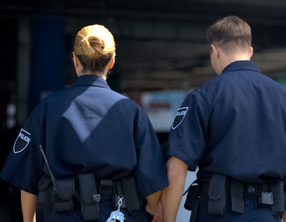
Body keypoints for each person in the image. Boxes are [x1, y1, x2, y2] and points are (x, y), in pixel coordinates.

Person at [161, 16, 286, 222]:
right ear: (250, 51)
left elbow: (176, 170)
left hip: (217, 214)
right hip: (268, 213)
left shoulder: (202, 97)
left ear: (215, 51)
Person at [0, 24, 168, 222]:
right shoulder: (133, 112)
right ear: (112, 61)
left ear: (75, 60)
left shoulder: (46, 109)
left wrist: (29, 220)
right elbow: (153, 184)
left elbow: (26, 179)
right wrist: (153, 205)